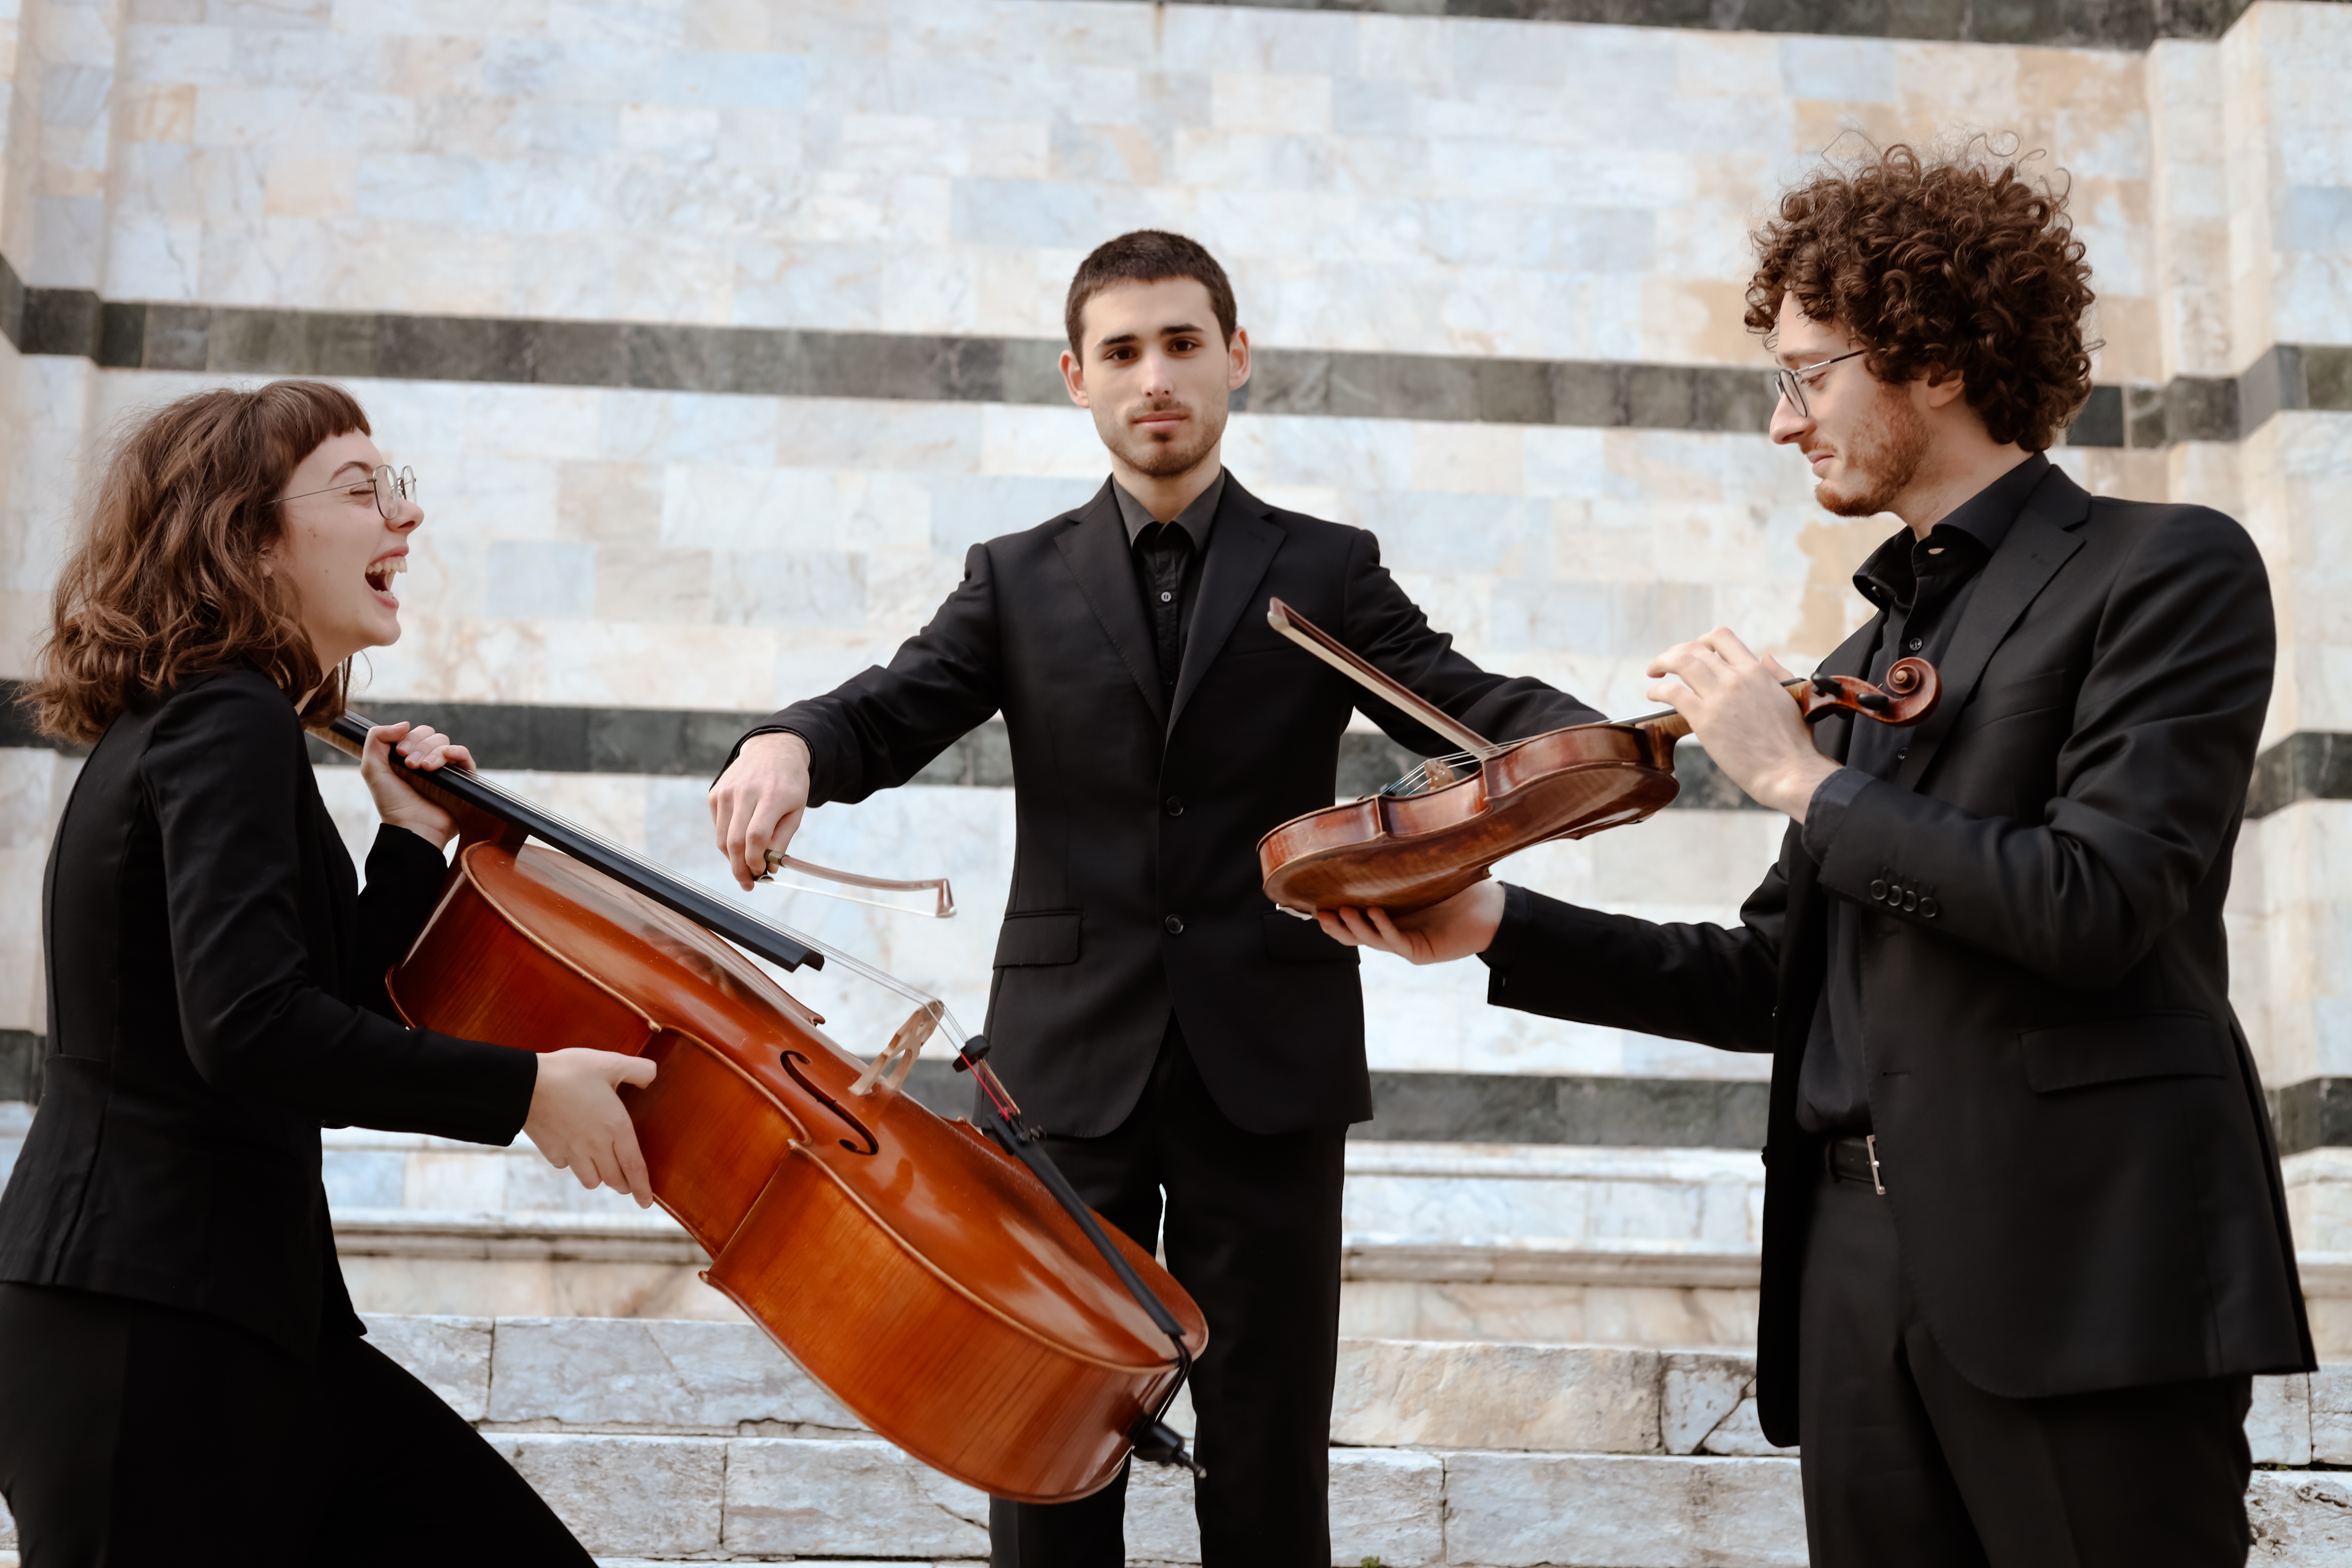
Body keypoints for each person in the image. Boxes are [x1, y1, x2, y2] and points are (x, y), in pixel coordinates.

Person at [1320, 144, 2313, 1564]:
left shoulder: (2169, 571)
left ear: (1936, 353)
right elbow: (1766, 974)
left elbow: (2097, 904)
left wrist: (1798, 779)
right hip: (1854, 1276)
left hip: (2081, 1260)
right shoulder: (1868, 658)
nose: (1784, 424)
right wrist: (1493, 923)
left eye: (1807, 375)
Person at [707, 230, 1601, 1567]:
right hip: (1067, 1064)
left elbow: (1462, 701)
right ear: (1078, 377)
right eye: (1122, 351)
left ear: (1235, 359)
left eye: (1183, 343)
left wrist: (1617, 742)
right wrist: (786, 743)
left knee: (1271, 1445)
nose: (1155, 376)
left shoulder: (1327, 566)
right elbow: (893, 710)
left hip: (1270, 1049)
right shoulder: (1014, 576)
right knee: (1047, 1439)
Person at [0, 381, 658, 1566]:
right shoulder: (227, 723)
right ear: (248, 538)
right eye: (363, 492)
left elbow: (313, 1013)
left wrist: (406, 840)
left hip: (246, 1322)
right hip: (152, 1327)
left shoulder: (210, 723)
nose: (405, 520)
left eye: (396, 487)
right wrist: (526, 1091)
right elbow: (253, 1031)